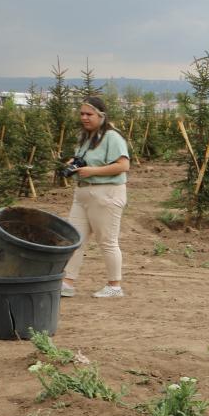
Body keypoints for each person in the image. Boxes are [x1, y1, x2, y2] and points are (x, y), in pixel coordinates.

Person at [61, 97, 130, 299]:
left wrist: (93, 171)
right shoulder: (87, 137)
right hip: (82, 194)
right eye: (82, 113)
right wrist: (74, 163)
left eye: (89, 114)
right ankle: (67, 283)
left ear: (101, 115)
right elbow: (85, 161)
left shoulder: (112, 137)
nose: (84, 117)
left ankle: (114, 285)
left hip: (106, 194)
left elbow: (123, 165)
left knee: (107, 241)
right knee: (74, 239)